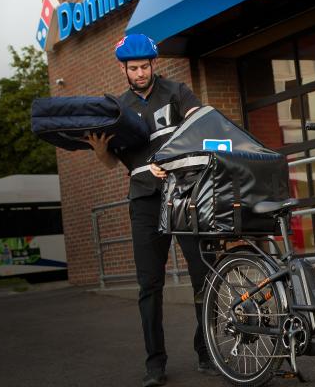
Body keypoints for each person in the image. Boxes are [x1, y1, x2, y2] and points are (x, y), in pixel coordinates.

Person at [86, 34, 217, 387]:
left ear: (153, 64)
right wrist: (99, 150)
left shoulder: (177, 91)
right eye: (134, 68)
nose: (141, 72)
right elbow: (111, 163)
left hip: (185, 195)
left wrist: (169, 158)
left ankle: (207, 352)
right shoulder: (117, 107)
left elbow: (198, 125)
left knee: (203, 275)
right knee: (149, 285)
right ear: (123, 69)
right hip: (144, 200)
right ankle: (155, 364)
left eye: (145, 66)